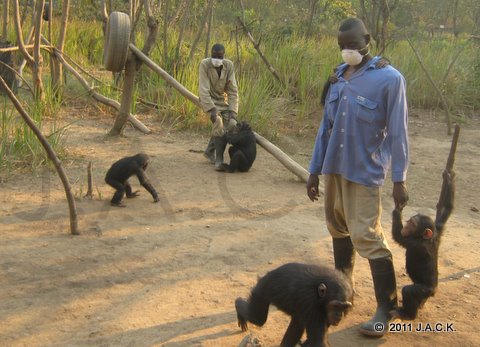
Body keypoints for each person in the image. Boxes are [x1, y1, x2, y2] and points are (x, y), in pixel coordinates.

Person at [306, 18, 409, 337]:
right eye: (342, 46)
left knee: (366, 236)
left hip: (365, 172)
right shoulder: (338, 78)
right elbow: (326, 128)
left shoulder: (389, 79)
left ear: (367, 39)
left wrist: (399, 178)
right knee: (338, 229)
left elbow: (398, 131)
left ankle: (386, 307)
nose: (347, 50)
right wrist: (314, 169)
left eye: (352, 44)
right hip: (335, 168)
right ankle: (342, 293)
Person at [198, 43, 239, 171]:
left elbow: (233, 91)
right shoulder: (204, 64)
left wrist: (233, 112)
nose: (216, 58)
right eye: (214, 56)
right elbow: (203, 90)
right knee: (218, 122)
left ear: (223, 55)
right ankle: (219, 159)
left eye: (219, 56)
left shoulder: (229, 65)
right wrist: (212, 109)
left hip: (222, 101)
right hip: (209, 100)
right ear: (211, 55)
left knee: (232, 124)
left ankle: (210, 151)